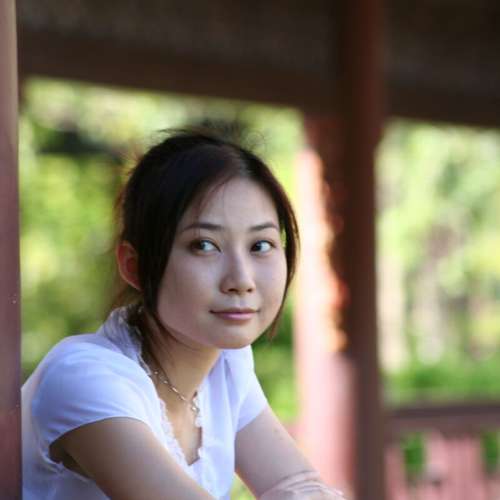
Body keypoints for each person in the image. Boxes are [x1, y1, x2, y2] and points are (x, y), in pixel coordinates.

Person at [22, 130, 345, 499]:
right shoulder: (84, 378)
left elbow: (296, 484)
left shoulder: (226, 365)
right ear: (135, 266)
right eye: (204, 245)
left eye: (260, 245)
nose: (241, 280)